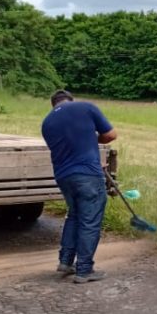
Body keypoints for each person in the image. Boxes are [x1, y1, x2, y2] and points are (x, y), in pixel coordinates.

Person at [41, 90, 117, 284]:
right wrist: (92, 141)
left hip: (64, 176)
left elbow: (68, 146)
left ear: (54, 105)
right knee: (89, 220)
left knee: (74, 215)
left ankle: (65, 262)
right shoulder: (86, 107)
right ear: (70, 100)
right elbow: (110, 135)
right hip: (87, 175)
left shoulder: (47, 123)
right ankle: (84, 270)